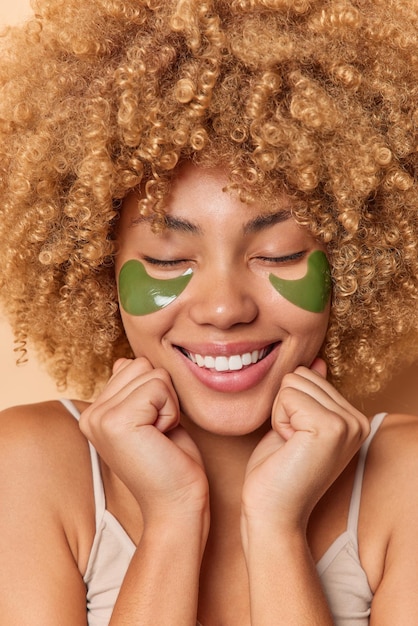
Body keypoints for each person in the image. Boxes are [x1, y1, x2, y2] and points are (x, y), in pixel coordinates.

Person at [0, 0, 418, 623]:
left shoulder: (407, 480)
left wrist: (276, 527)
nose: (224, 309)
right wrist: (173, 517)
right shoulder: (28, 466)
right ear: (96, 268)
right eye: (169, 259)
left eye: (279, 254)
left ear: (357, 265)